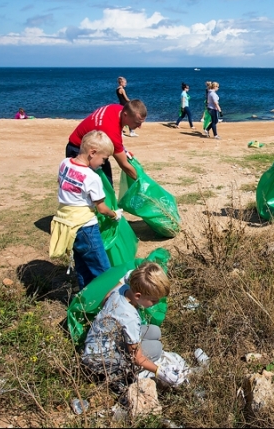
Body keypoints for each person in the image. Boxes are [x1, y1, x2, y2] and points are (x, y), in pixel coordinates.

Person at [82, 262, 184, 387]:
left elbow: (106, 298)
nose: (156, 303)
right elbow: (137, 358)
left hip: (98, 342)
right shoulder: (130, 317)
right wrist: (160, 371)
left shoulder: (122, 288)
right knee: (156, 349)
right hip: (102, 360)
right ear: (138, 296)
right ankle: (115, 376)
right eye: (153, 300)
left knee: (154, 331)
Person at [51, 130, 122, 290]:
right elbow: (102, 208)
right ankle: (111, 302)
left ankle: (86, 298)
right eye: (103, 159)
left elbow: (60, 183)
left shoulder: (65, 163)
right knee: (102, 268)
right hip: (86, 227)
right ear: (92, 153)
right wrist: (114, 215)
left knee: (82, 265)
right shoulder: (92, 177)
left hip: (68, 225)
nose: (103, 164)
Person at [66, 100, 146, 186]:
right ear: (125, 115)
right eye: (137, 122)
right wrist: (143, 182)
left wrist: (123, 150)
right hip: (79, 151)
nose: (140, 126)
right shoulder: (111, 132)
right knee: (91, 189)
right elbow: (124, 165)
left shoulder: (116, 108)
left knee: (106, 187)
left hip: (95, 149)